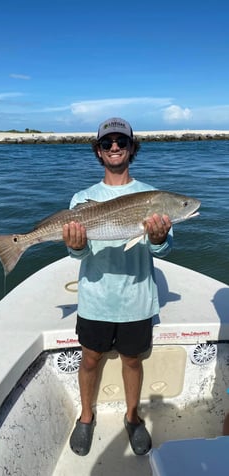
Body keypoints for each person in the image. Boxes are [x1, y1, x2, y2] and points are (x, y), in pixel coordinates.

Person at [62, 117, 173, 456]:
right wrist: (76, 244)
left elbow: (163, 248)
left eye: (121, 142)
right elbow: (77, 252)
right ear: (98, 151)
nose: (114, 148)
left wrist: (157, 238)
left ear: (131, 148)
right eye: (107, 143)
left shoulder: (151, 196)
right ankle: (85, 416)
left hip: (137, 299)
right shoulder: (83, 198)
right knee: (90, 358)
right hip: (96, 298)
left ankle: (133, 417)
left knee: (132, 361)